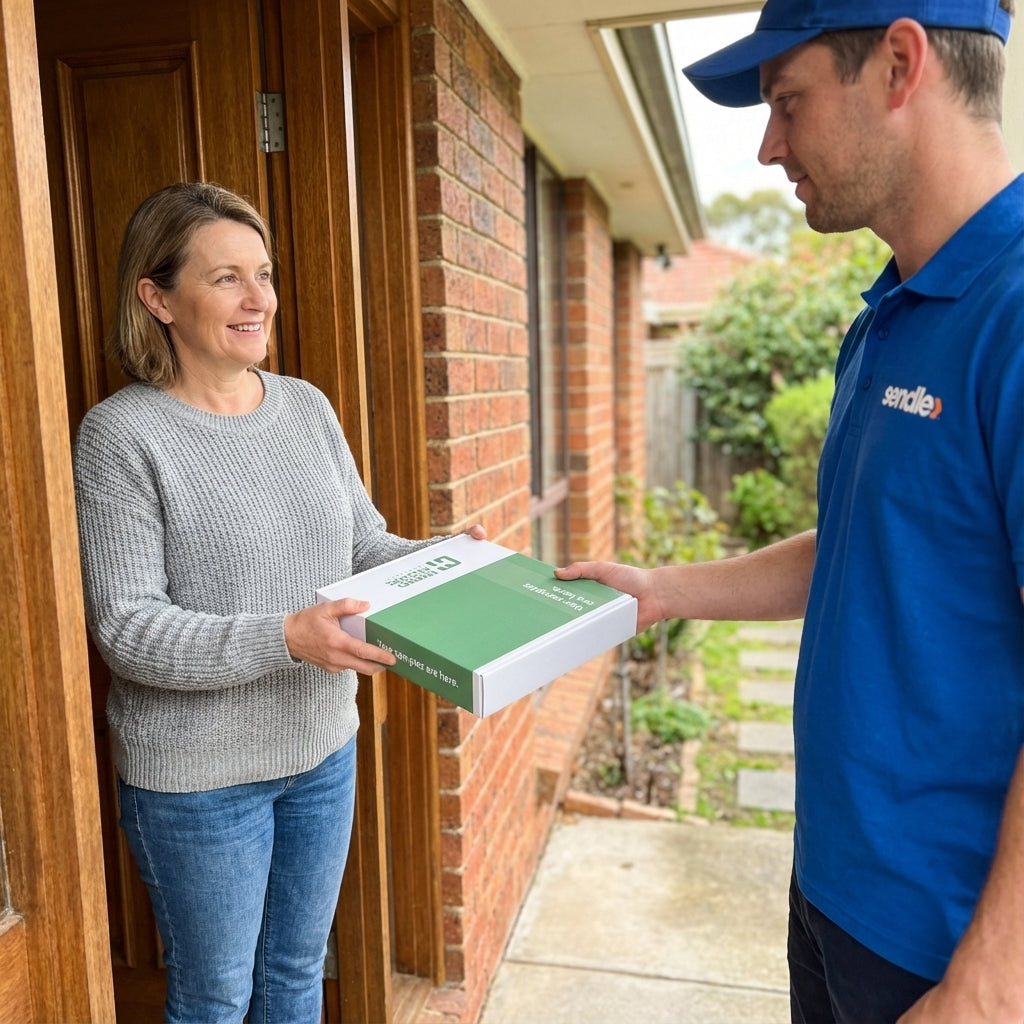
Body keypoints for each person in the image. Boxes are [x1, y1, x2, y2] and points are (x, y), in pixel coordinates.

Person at [558, 1, 1023, 1020]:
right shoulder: (889, 314)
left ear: (899, 63)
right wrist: (656, 592)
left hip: (950, 946)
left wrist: (991, 982)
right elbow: (865, 550)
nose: (769, 147)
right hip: (831, 895)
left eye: (786, 101)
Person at [73, 181, 484, 1024]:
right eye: (226, 278)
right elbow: (127, 629)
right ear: (157, 298)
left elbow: (362, 548)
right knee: (216, 997)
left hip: (322, 749)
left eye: (262, 273)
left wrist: (444, 558)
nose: (258, 297)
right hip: (197, 780)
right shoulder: (122, 436)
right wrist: (287, 636)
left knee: (298, 976)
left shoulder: (305, 407)